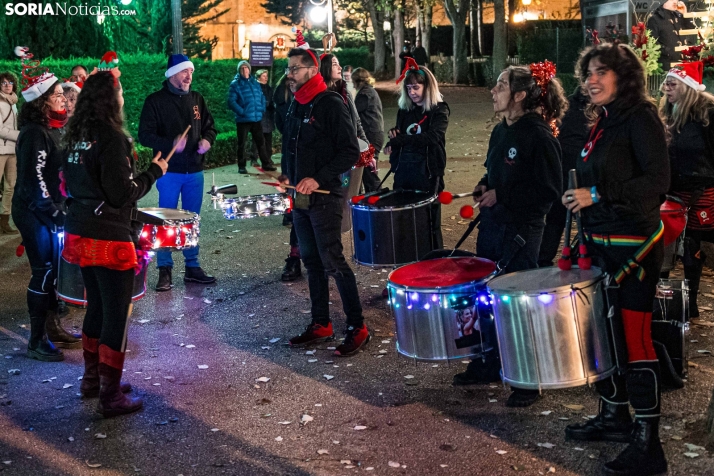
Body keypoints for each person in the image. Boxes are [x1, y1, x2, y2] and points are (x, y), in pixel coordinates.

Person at [563, 43, 669, 476]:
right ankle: (614, 416)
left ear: (623, 76)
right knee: (603, 337)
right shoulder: (602, 122)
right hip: (600, 244)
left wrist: (598, 194)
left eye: (601, 72)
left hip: (636, 248)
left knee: (634, 341)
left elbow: (658, 181)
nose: (591, 80)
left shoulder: (640, 118)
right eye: (588, 72)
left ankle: (649, 445)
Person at [453, 62, 567, 409]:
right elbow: (493, 170)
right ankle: (488, 362)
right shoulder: (501, 131)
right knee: (483, 297)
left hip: (522, 233)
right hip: (493, 226)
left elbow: (549, 191)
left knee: (517, 306)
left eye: (501, 86)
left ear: (519, 94)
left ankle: (528, 379)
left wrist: (503, 196)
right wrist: (485, 186)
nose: (493, 91)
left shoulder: (539, 135)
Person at [63, 57, 168, 417]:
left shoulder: (75, 135)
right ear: (112, 99)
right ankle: (111, 395)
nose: (123, 95)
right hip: (108, 236)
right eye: (120, 91)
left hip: (80, 231)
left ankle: (93, 380)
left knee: (96, 306)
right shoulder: (112, 138)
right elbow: (121, 193)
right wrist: (153, 172)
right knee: (116, 314)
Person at [280, 42, 370, 356]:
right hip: (301, 200)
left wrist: (317, 178)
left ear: (313, 69)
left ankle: (358, 326)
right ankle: (322, 323)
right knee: (311, 261)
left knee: (334, 261)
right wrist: (286, 176)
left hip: (326, 197)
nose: (289, 75)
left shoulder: (330, 103)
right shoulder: (296, 103)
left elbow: (350, 151)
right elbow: (290, 145)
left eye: (295, 69)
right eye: (288, 69)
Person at [13, 49, 81, 361]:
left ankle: (52, 328)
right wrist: (53, 213)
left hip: (49, 211)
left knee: (54, 270)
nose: (64, 99)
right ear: (41, 100)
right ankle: (36, 340)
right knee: (43, 271)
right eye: (57, 95)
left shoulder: (52, 129)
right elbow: (32, 181)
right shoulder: (34, 133)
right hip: (33, 213)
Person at [138, 54, 217, 291]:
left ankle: (192, 266)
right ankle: (165, 268)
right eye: (185, 72)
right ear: (173, 74)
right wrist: (169, 143)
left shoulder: (197, 99)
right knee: (167, 220)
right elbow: (145, 135)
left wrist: (207, 140)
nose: (189, 76)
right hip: (168, 170)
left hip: (194, 170)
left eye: (191, 72)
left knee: (192, 220)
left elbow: (210, 127)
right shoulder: (155, 101)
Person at [660, 62, 714, 318]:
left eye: (671, 84)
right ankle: (663, 300)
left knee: (693, 247)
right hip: (673, 192)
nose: (664, 89)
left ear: (688, 87)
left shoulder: (708, 114)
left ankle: (691, 301)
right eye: (665, 83)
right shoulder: (667, 112)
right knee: (665, 246)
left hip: (701, 191)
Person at [383, 58, 449, 249]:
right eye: (409, 88)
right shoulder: (405, 110)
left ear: (428, 87)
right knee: (404, 219)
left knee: (429, 222)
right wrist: (393, 141)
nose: (412, 92)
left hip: (428, 172)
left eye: (416, 88)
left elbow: (433, 137)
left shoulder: (439, 109)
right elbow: (401, 135)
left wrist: (401, 139)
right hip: (405, 171)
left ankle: (434, 260)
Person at [538, 85, 589, 267]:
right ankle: (544, 258)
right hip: (569, 169)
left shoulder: (572, 105)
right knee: (558, 217)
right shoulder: (572, 106)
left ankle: (545, 257)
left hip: (573, 170)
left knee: (560, 218)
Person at [273, 73, 302, 282]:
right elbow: (286, 138)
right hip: (295, 166)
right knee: (299, 214)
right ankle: (295, 256)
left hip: (319, 170)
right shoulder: (287, 106)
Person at [227, 60, 276, 174]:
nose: (245, 70)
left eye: (246, 68)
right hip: (243, 119)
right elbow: (231, 101)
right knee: (242, 144)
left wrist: (262, 108)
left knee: (261, 142)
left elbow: (261, 97)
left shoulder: (254, 83)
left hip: (256, 118)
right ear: (239, 71)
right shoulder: (235, 84)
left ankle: (266, 164)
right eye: (242, 68)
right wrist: (242, 112)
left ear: (249, 69)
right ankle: (242, 166)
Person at [353, 67, 384, 193]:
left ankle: (377, 196)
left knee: (368, 170)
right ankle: (375, 196)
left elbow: (354, 113)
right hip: (375, 134)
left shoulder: (364, 94)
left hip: (370, 134)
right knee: (368, 169)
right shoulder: (370, 91)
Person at [647, 0, 694, 70]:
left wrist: (685, 15)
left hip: (684, 64)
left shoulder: (679, 17)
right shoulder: (655, 19)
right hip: (667, 65)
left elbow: (692, 31)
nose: (675, 2)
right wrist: (668, 52)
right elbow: (652, 42)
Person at [0, 71, 19, 234]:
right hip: (0, 149)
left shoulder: (13, 102)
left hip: (12, 149)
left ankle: (5, 220)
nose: (7, 85)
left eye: (10, 82)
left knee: (10, 186)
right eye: (4, 83)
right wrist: (21, 135)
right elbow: (0, 130)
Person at [248, 69, 275, 168]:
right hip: (259, 117)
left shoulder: (269, 88)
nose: (266, 78)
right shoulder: (255, 88)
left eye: (266, 76)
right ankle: (254, 159)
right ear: (259, 77)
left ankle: (267, 158)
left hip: (268, 117)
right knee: (257, 140)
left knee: (268, 140)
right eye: (264, 76)